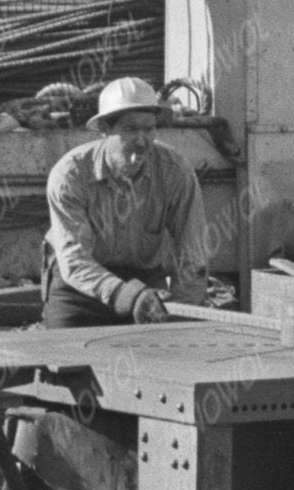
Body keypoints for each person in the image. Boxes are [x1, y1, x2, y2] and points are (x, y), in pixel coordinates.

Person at [42, 74, 221, 325]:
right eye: (130, 129)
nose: (141, 140)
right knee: (65, 357)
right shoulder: (70, 176)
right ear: (105, 129)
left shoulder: (175, 172)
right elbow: (75, 260)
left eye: (149, 129)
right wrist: (125, 295)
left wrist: (181, 313)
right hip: (79, 285)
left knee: (161, 355)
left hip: (144, 280)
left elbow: (193, 254)